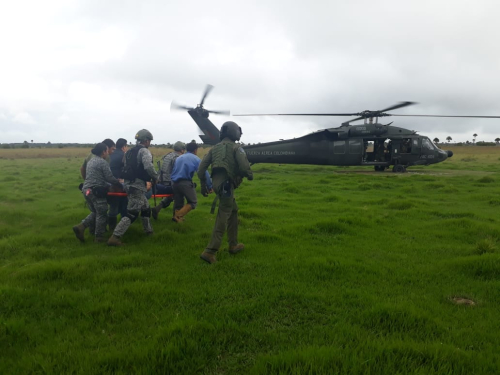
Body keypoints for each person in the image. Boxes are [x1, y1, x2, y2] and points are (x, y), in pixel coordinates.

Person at [198, 121, 253, 264]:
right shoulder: (237, 147)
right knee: (223, 216)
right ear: (235, 132)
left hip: (218, 185)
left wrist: (204, 186)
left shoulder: (214, 148)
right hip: (227, 186)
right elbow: (245, 166)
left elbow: (201, 169)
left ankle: (233, 244)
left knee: (233, 210)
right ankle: (210, 251)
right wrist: (248, 174)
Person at [107, 129, 158, 246]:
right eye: (149, 140)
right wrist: (156, 177)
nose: (150, 143)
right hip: (137, 186)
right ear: (146, 140)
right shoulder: (144, 151)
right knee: (132, 213)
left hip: (128, 184)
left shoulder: (129, 152)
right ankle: (115, 237)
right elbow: (148, 166)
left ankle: (149, 231)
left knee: (145, 208)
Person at [73, 143, 121, 243]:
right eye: (107, 151)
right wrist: (118, 183)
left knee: (96, 212)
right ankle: (99, 237)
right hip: (96, 191)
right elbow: (109, 177)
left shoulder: (91, 161)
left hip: (86, 190)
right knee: (102, 212)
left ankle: (81, 227)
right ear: (103, 152)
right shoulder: (102, 162)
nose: (108, 153)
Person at [170, 141, 212, 223]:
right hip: (185, 183)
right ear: (195, 150)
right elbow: (203, 172)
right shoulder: (195, 158)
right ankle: (177, 216)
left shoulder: (179, 158)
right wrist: (210, 186)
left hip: (174, 183)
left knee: (178, 202)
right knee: (193, 202)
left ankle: (177, 221)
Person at [151, 141, 186, 220]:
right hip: (170, 182)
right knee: (180, 194)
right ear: (182, 150)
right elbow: (177, 172)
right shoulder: (177, 158)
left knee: (172, 195)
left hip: (162, 181)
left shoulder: (168, 155)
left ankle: (157, 208)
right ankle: (177, 216)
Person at [107, 138, 128, 231]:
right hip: (117, 183)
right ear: (124, 147)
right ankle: (122, 224)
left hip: (107, 183)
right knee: (124, 201)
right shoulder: (124, 155)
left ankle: (111, 226)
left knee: (113, 204)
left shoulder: (109, 154)